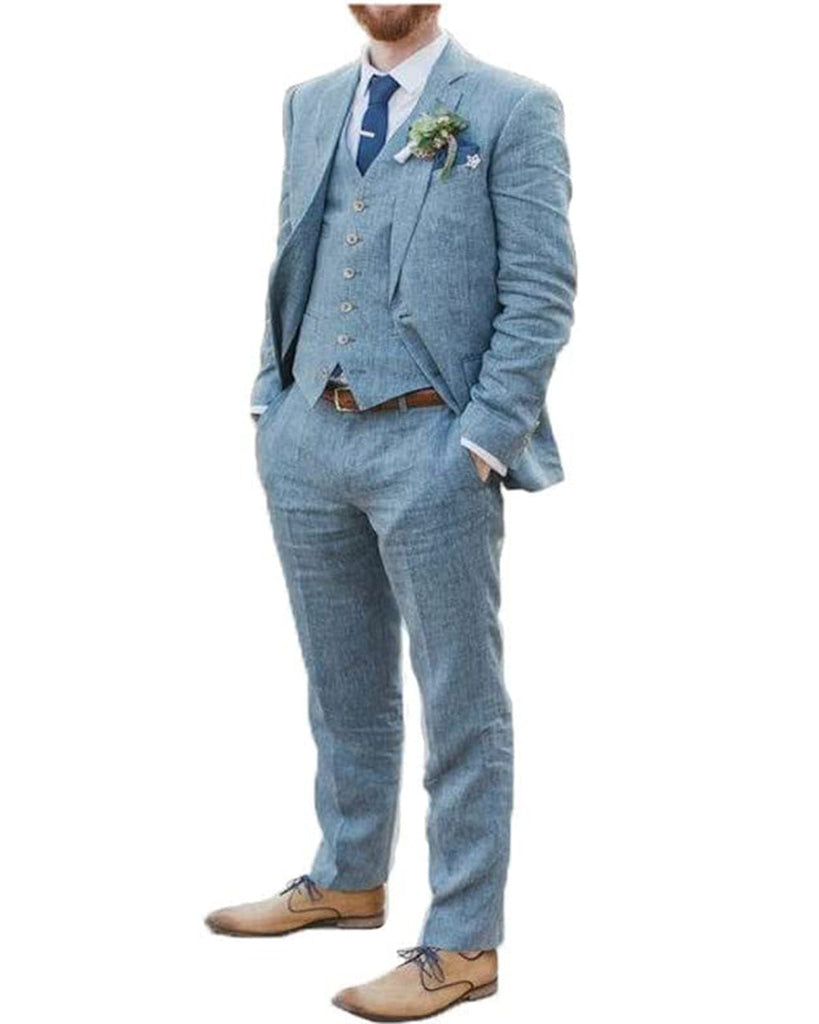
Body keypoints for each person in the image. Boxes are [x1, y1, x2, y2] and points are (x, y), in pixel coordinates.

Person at [206, 4, 576, 1018]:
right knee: (342, 682)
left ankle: (462, 943)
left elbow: (541, 291)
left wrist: (482, 440)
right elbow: (295, 253)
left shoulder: (511, 109)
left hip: (432, 444)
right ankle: (347, 875)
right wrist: (270, 402)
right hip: (307, 438)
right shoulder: (309, 102)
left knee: (462, 701)